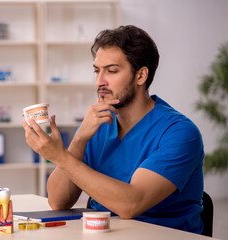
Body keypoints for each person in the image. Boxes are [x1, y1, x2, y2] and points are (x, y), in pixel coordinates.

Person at [22, 25, 204, 234]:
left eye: (112, 71)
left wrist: (60, 156)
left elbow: (131, 204)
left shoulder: (179, 133)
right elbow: (58, 201)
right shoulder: (97, 124)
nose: (100, 81)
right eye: (97, 71)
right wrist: (79, 139)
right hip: (103, 233)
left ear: (141, 76)